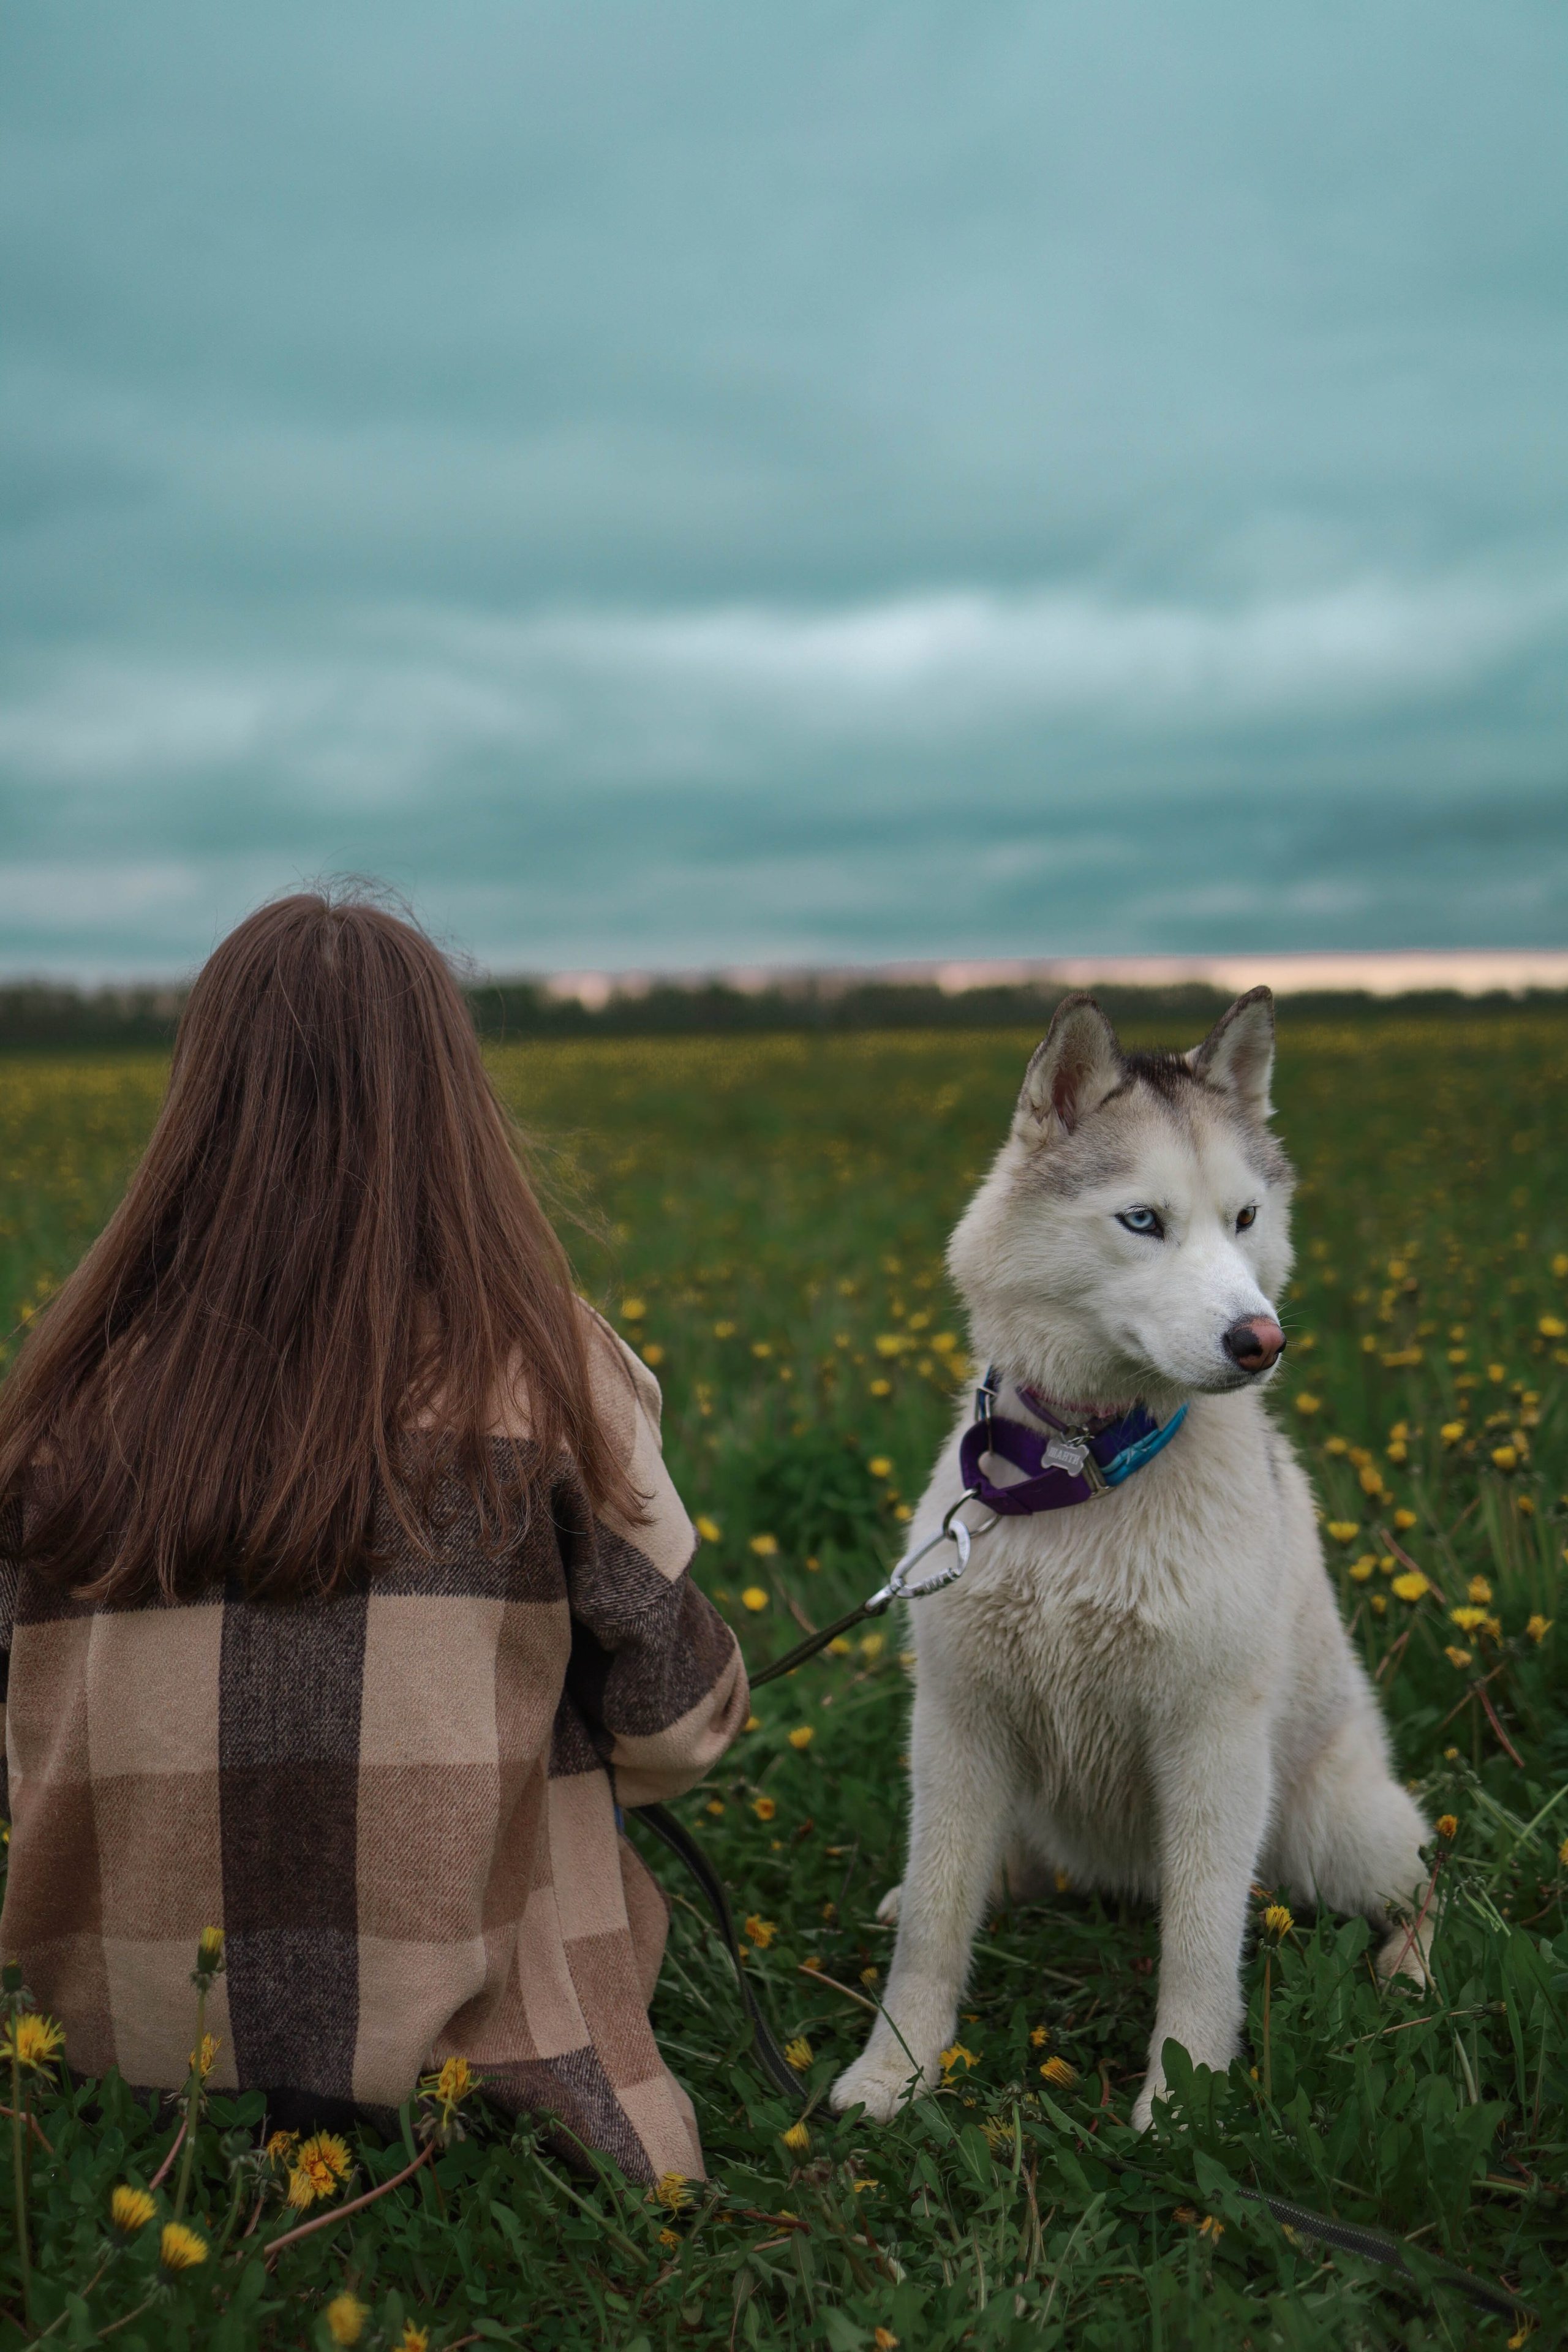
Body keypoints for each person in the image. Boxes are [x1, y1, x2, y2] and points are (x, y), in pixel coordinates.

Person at [0, 892, 746, 2182]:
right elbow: (676, 1724)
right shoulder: (547, 1366)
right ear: (449, 1100)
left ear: (197, 1107)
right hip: (461, 2058)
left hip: (106, 2049)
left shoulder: (67, 1389)